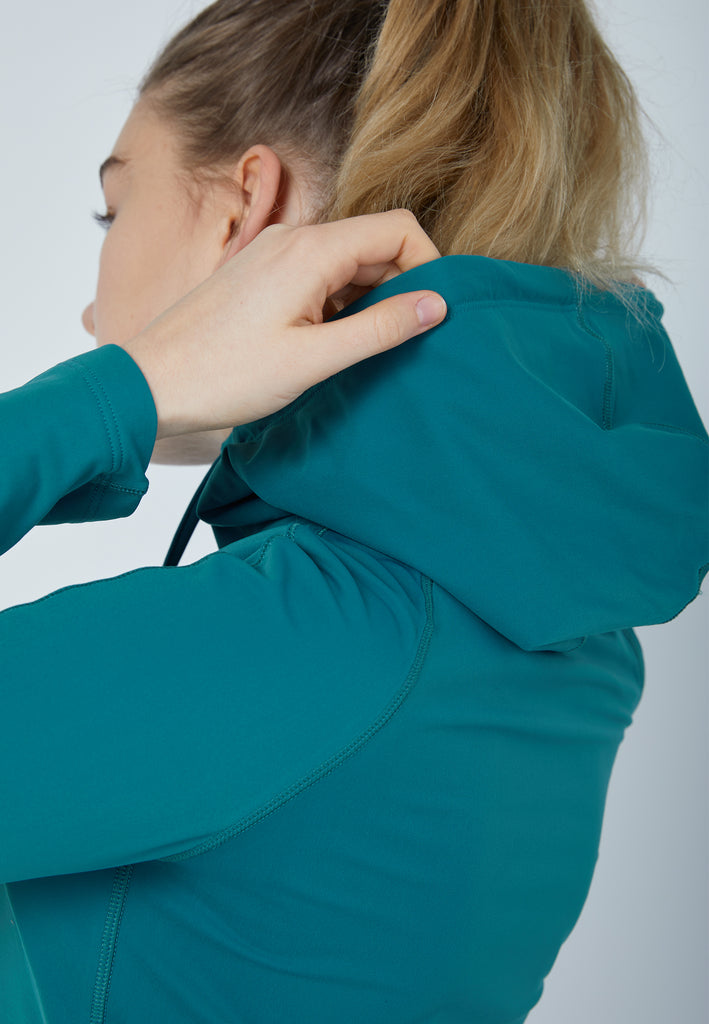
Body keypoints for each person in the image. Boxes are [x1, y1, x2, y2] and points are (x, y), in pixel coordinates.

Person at [1, 1, 706, 1022]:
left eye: (116, 207)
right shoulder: (551, 639)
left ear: (246, 206)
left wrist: (125, 391)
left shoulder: (306, 635)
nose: (86, 304)